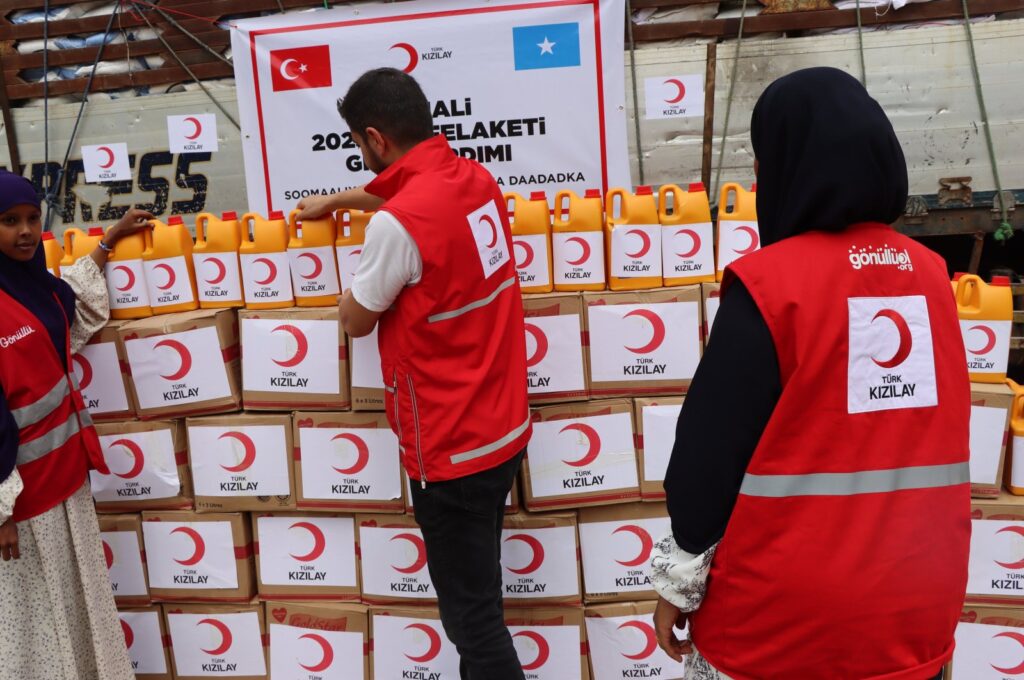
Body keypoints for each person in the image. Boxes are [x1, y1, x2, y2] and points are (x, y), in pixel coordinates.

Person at [649, 67, 970, 680]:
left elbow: (704, 463)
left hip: (783, 623)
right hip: (914, 612)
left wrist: (679, 582)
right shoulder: (932, 278)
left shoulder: (773, 287)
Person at [297, 68, 531, 680]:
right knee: (479, 592)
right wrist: (339, 200)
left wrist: (350, 283)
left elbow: (356, 321)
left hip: (451, 447)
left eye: (357, 144)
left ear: (374, 138)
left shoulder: (395, 228)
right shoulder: (473, 179)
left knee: (472, 622)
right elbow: (406, 197)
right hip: (502, 426)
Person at [0, 170, 152, 680]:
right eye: (7, 222)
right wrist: (0, 512)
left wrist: (108, 241)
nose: (24, 231)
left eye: (29, 218)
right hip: (22, 506)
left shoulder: (37, 286)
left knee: (80, 609)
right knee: (39, 628)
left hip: (67, 482)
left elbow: (71, 313)